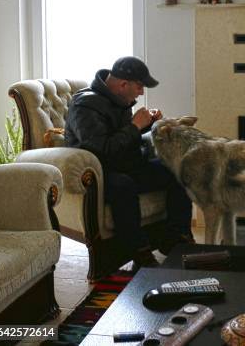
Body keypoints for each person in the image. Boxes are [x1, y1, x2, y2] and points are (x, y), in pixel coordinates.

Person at [64, 56, 194, 267]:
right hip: (100, 173)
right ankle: (139, 252)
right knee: (124, 185)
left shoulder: (119, 99)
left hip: (125, 164)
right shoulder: (85, 105)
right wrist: (135, 126)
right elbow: (102, 149)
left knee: (179, 170)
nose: (142, 92)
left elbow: (119, 138)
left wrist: (147, 125)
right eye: (140, 86)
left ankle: (176, 238)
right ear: (123, 84)